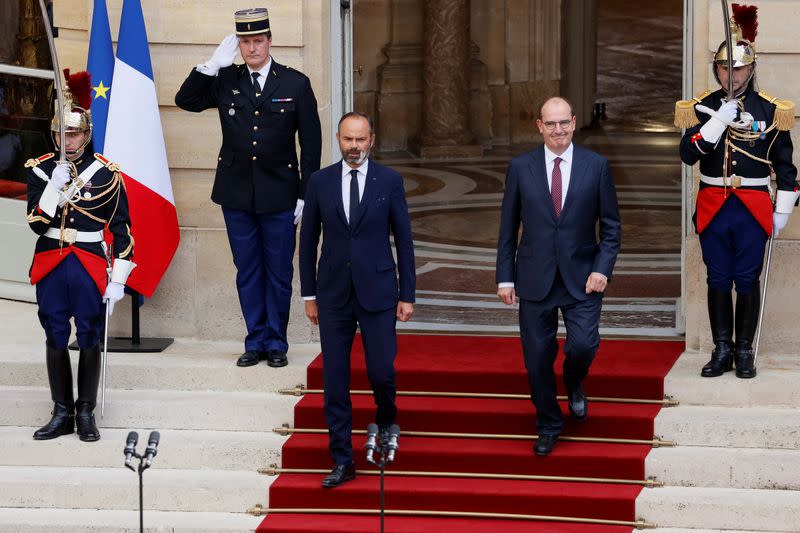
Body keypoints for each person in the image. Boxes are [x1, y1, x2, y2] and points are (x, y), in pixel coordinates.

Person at [175, 7, 322, 368]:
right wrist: (211, 65)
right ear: (238, 44)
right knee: (248, 269)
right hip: (236, 193)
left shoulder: (294, 83)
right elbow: (186, 101)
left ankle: (276, 342)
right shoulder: (226, 79)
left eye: (258, 40)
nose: (252, 48)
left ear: (270, 41)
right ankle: (255, 340)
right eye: (245, 41)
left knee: (278, 269)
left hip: (281, 193)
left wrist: (306, 193)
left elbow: (312, 143)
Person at [676, 4, 797, 379]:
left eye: (739, 68)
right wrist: (716, 124)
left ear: (751, 68)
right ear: (717, 68)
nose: (731, 74)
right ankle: (721, 349)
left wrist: (782, 210)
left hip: (754, 206)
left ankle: (744, 350)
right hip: (714, 203)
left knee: (746, 279)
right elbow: (687, 154)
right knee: (717, 278)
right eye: (725, 67)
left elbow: (786, 168)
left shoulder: (771, 110)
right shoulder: (701, 107)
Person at [495, 97, 621, 456]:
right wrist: (505, 277)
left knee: (583, 346)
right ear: (539, 126)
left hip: (583, 278)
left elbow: (611, 227)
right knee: (536, 357)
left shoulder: (596, 166)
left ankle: (574, 381)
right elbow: (508, 228)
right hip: (534, 278)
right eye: (550, 124)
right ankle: (549, 424)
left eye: (564, 122)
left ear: (575, 122)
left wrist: (602, 269)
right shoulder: (521, 168)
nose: (558, 130)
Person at [299, 112, 415, 488]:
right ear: (338, 139)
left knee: (382, 371)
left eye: (360, 140)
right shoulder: (319, 182)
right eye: (348, 139)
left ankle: (386, 416)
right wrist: (309, 294)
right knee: (335, 380)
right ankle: (342, 458)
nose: (354, 146)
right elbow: (307, 242)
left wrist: (407, 294)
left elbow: (405, 241)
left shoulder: (390, 181)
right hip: (332, 295)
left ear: (372, 139)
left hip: (379, 292)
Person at [26, 69, 134, 442]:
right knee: (55, 335)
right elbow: (37, 224)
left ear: (86, 135)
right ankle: (61, 411)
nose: (66, 140)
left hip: (88, 261)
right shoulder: (41, 169)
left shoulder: (107, 175)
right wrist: (53, 189)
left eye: (73, 133)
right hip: (52, 260)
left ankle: (85, 411)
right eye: (60, 133)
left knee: (89, 336)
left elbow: (122, 230)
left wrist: (118, 278)